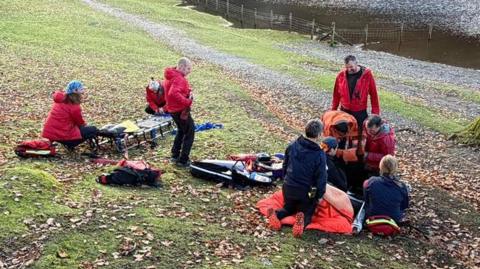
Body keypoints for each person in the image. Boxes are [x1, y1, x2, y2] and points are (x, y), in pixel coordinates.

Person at [266, 120, 327, 238]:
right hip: (306, 192)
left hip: (288, 187)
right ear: (319, 135)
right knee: (308, 211)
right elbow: (321, 177)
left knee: (288, 208)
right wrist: (319, 195)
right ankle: (301, 220)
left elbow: (285, 165)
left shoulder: (292, 145)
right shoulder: (319, 154)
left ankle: (277, 214)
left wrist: (286, 180)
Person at [42, 80, 98, 150]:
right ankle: (70, 144)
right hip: (62, 135)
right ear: (75, 90)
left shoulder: (60, 100)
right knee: (92, 130)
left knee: (82, 128)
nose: (83, 90)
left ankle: (66, 142)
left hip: (50, 134)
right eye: (81, 89)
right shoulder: (74, 106)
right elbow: (80, 123)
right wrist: (86, 126)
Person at [331, 55, 380, 128]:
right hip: (344, 110)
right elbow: (336, 95)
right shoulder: (340, 76)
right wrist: (333, 109)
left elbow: (374, 95)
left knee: (359, 133)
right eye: (347, 67)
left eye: (351, 67)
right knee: (343, 132)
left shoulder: (367, 75)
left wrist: (375, 113)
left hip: (360, 112)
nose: (349, 69)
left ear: (356, 63)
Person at [164, 57, 195, 168]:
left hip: (172, 109)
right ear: (181, 67)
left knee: (181, 131)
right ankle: (183, 160)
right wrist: (187, 101)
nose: (189, 71)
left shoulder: (172, 75)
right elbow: (173, 93)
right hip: (180, 110)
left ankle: (175, 154)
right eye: (188, 68)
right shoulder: (179, 79)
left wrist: (188, 91)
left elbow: (174, 90)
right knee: (190, 132)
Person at [363, 155, 409, 224]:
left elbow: (366, 199)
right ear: (395, 168)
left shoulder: (371, 181)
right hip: (394, 219)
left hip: (372, 217)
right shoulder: (401, 186)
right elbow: (404, 205)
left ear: (380, 166)